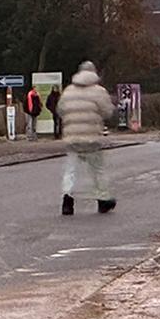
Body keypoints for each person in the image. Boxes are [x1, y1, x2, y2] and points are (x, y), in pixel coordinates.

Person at [56, 61, 115, 215]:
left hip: (72, 138)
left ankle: (67, 200)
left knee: (70, 170)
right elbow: (108, 111)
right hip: (91, 139)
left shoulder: (68, 91)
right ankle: (103, 200)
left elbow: (60, 110)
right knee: (97, 170)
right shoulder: (98, 91)